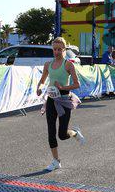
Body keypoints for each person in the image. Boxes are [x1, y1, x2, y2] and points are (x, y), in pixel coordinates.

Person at [36, 37, 85, 171]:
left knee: (62, 135)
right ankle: (56, 161)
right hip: (51, 100)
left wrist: (62, 87)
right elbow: (42, 81)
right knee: (51, 132)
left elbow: (77, 84)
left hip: (64, 101)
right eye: (54, 49)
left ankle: (74, 133)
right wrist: (39, 88)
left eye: (59, 49)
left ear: (64, 50)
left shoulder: (68, 65)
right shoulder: (48, 64)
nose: (56, 52)